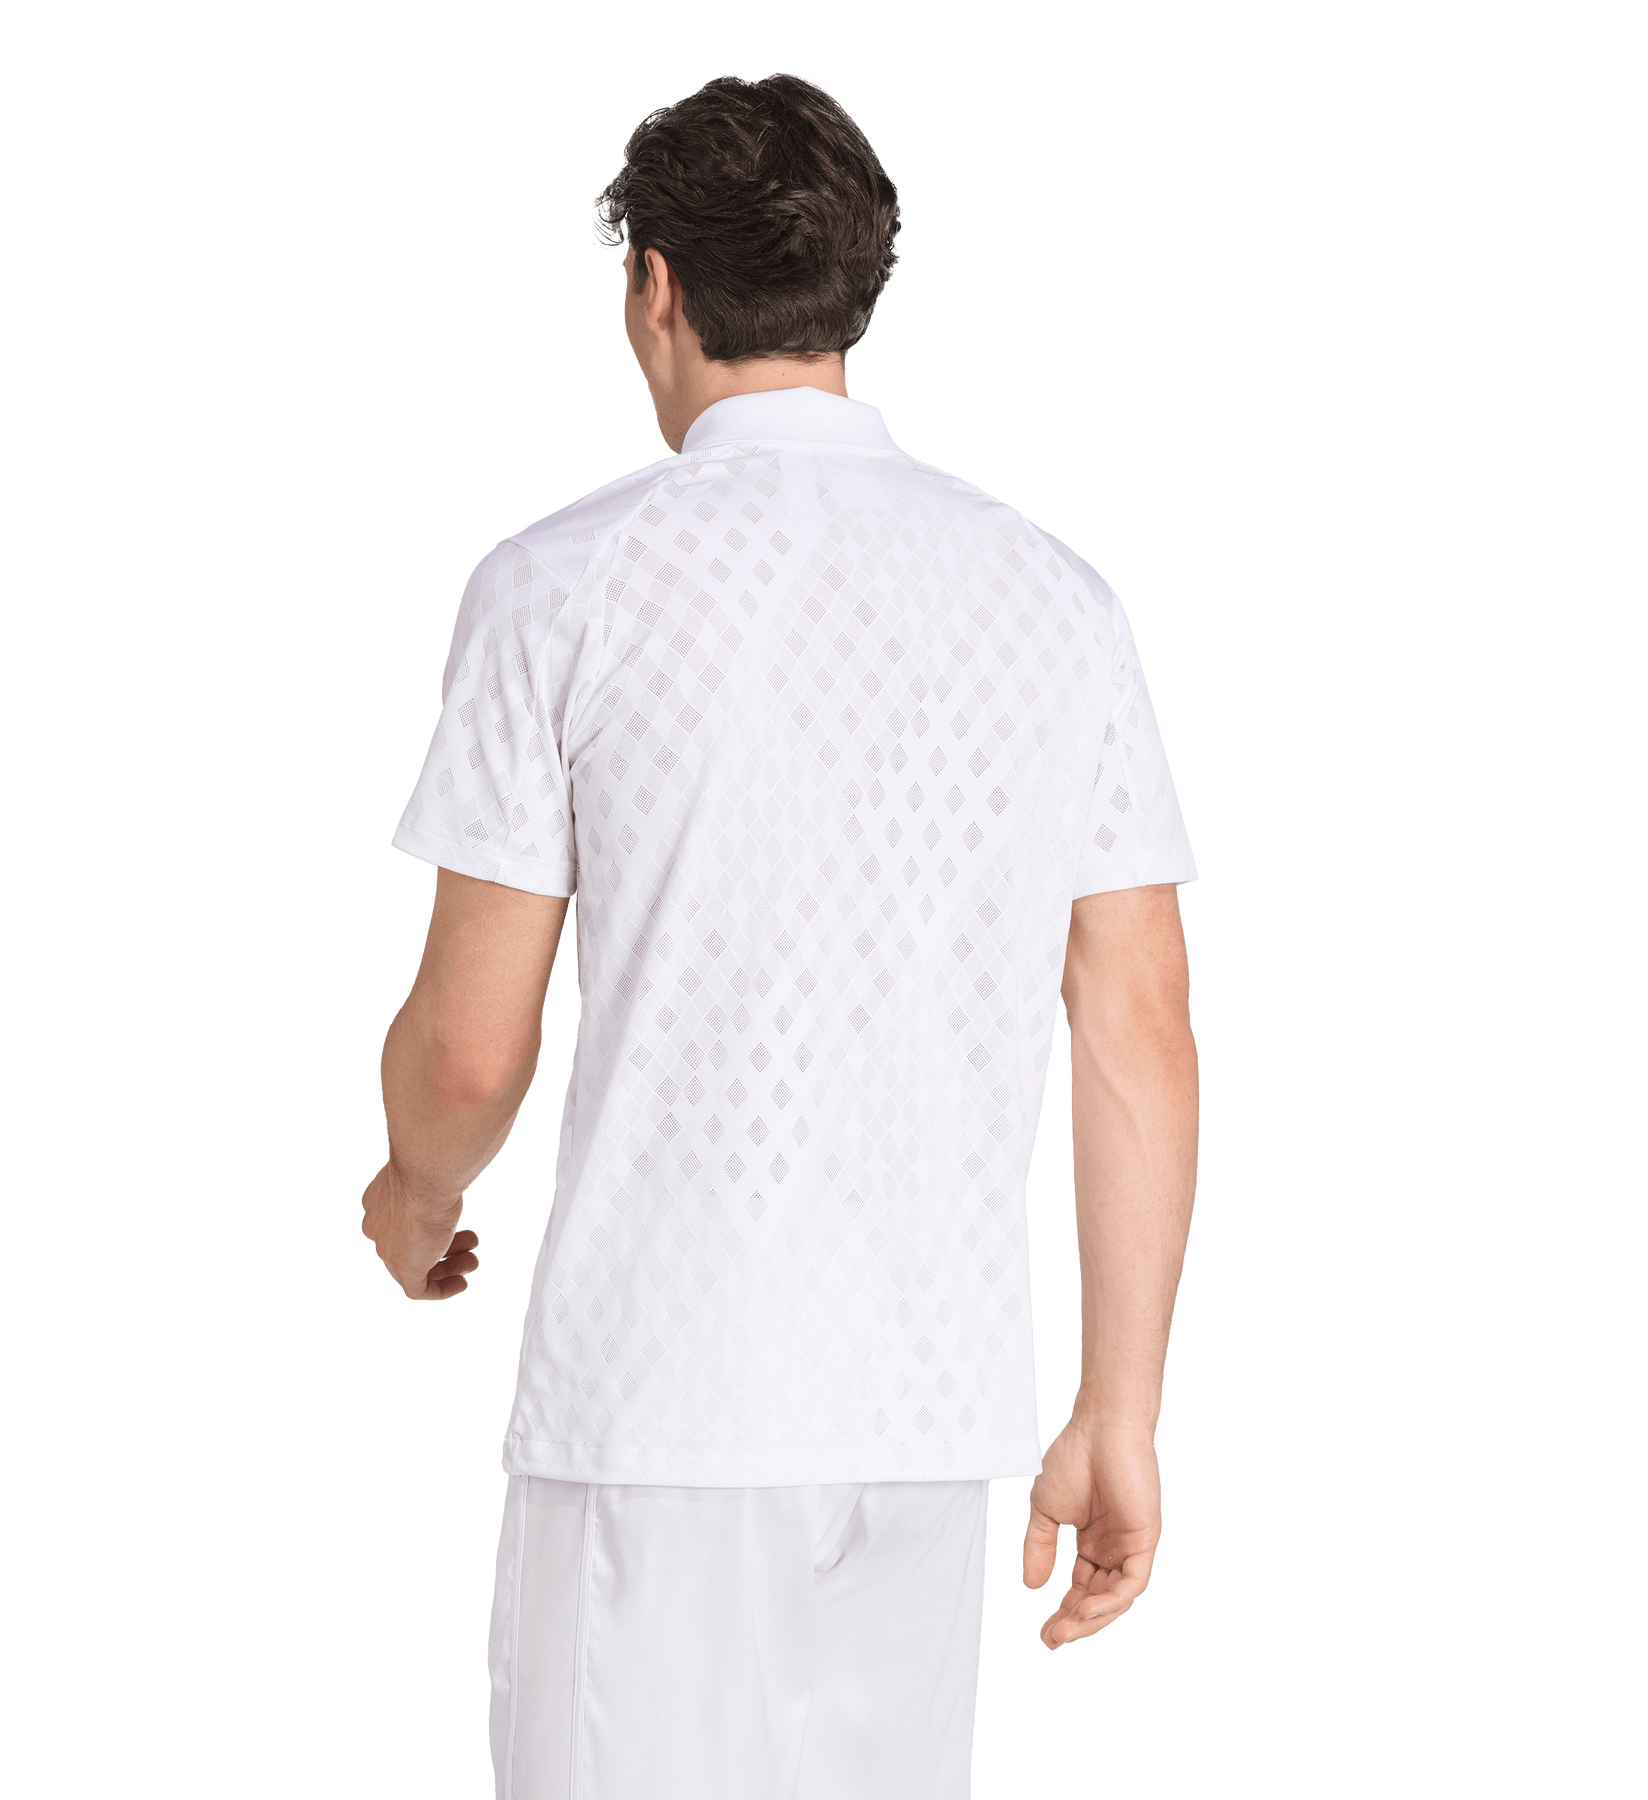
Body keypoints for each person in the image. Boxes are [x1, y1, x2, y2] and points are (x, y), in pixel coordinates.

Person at [359, 67, 1201, 1800]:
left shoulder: (560, 582)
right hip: (926, 1424)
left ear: (657, 285)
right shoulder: (1057, 596)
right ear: (856, 289)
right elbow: (1137, 1028)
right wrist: (1118, 1410)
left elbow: (471, 1053)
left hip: (657, 1404)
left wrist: (413, 1196)